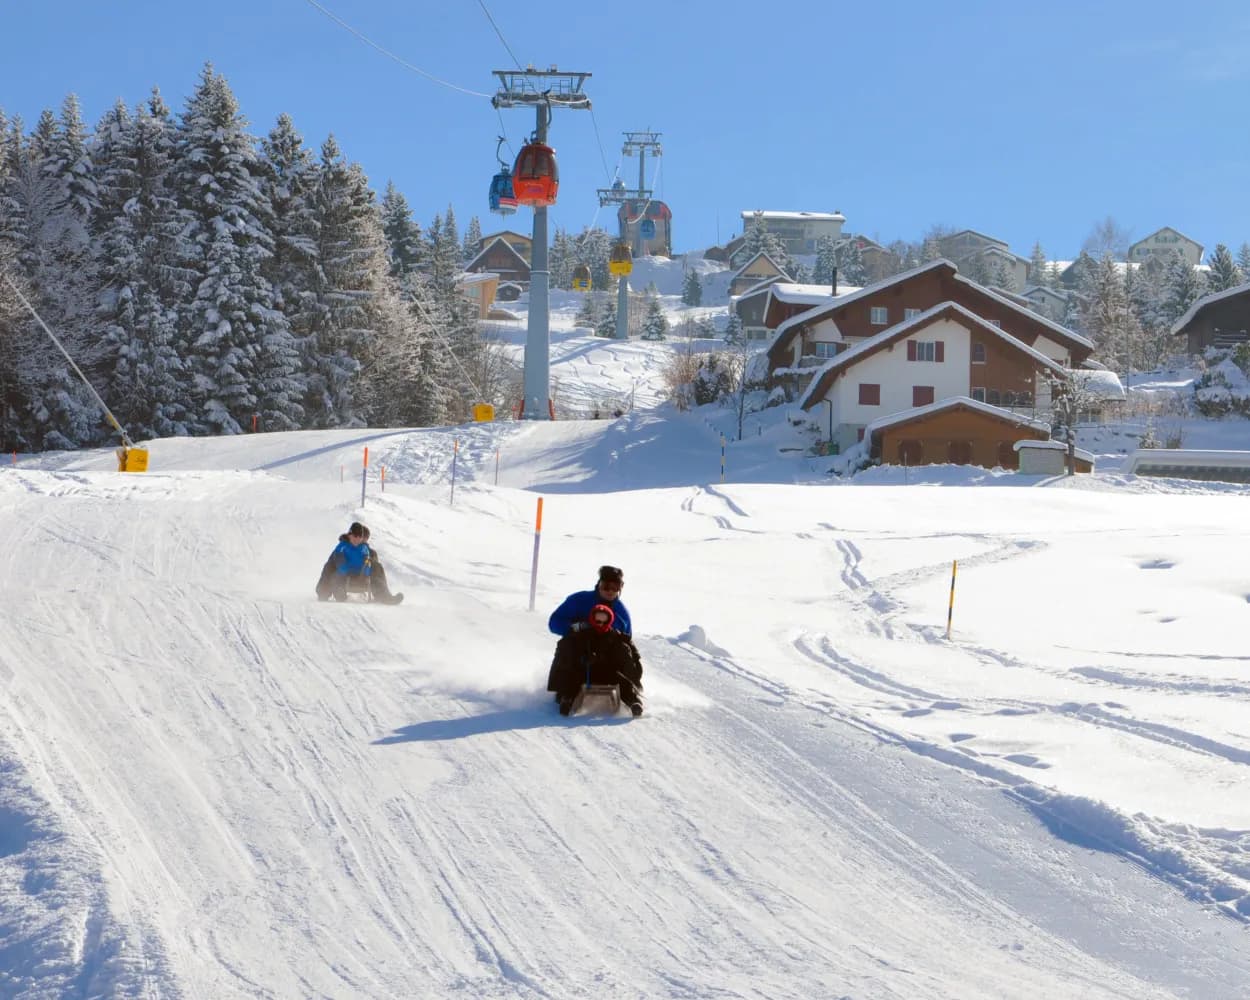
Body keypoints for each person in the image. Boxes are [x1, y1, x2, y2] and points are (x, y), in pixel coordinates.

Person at [546, 603, 644, 717]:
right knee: (574, 677)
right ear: (593, 620)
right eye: (598, 621)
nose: (601, 625)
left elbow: (623, 656)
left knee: (622, 680)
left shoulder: (615, 637)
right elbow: (572, 655)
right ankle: (567, 699)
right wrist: (583, 658)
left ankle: (633, 702)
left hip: (608, 673)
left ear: (609, 621)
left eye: (604, 622)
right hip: (586, 671)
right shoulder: (583, 635)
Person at [548, 565, 631, 637]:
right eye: (606, 586)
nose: (610, 591)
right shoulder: (579, 600)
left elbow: (628, 640)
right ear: (599, 584)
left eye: (615, 587)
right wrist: (575, 628)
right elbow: (554, 623)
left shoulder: (622, 614)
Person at [315, 522, 372, 602]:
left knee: (376, 567)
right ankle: (325, 592)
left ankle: (382, 595)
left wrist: (367, 569)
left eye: (360, 537)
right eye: (355, 536)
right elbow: (339, 560)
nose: (357, 539)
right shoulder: (343, 546)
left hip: (359, 574)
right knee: (331, 569)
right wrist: (344, 569)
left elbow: (367, 560)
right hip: (344, 573)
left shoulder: (364, 548)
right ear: (349, 535)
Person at [360, 526, 404, 605]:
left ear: (367, 538)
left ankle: (385, 595)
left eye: (364, 537)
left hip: (368, 575)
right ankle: (386, 597)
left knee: (378, 568)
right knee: (377, 567)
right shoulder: (349, 548)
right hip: (356, 573)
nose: (361, 538)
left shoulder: (371, 552)